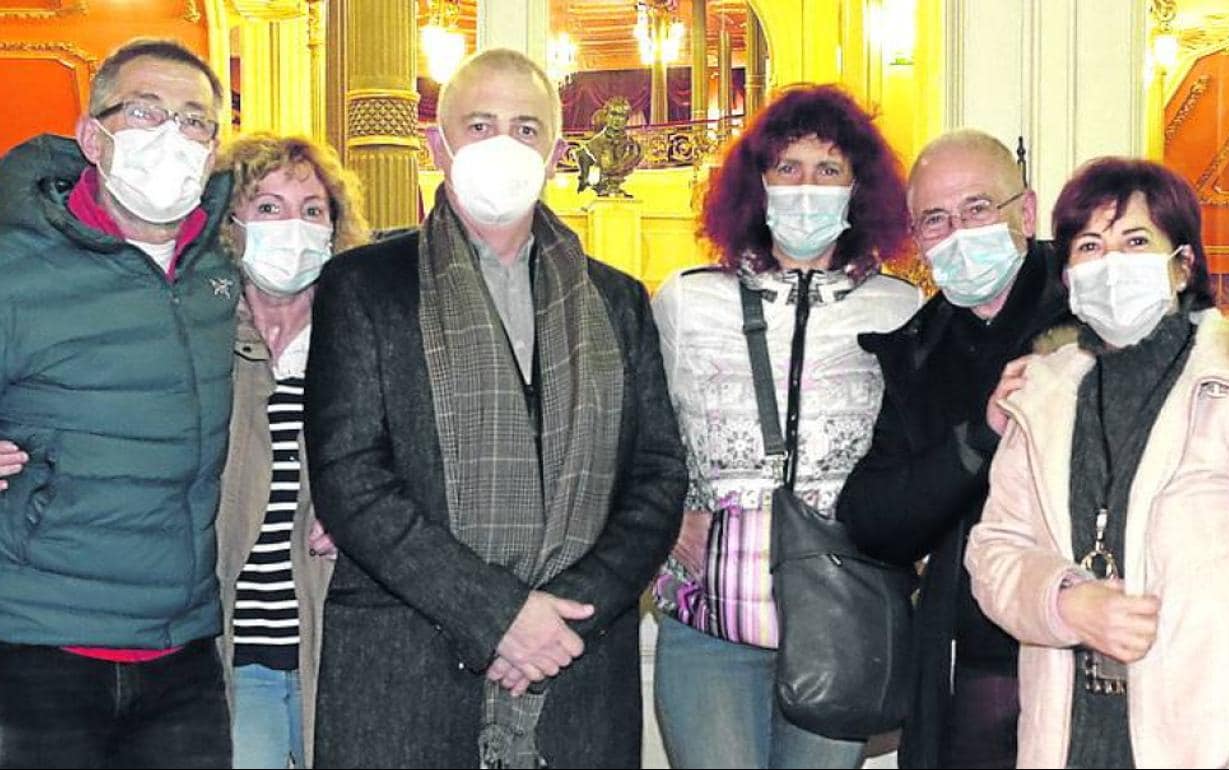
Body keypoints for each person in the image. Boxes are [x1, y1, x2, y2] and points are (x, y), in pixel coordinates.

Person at [303, 48, 689, 768]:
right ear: (436, 144)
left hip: (575, 665)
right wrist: (500, 616)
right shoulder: (364, 287)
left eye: (525, 127)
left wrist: (564, 614)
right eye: (479, 125)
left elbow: (658, 475)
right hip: (405, 676)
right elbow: (350, 478)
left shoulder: (617, 301)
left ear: (557, 151)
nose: (503, 146)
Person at [648, 84, 923, 769]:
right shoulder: (686, 301)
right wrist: (662, 519)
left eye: (829, 170)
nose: (808, 186)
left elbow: (914, 459)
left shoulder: (900, 308)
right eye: (788, 168)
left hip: (843, 623)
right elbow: (636, 439)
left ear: (857, 189)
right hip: (710, 621)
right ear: (758, 183)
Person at [965, 157, 1229, 768]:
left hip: (1210, 741)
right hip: (1068, 736)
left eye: (1136, 240)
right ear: (1067, 275)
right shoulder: (1041, 391)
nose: (1112, 262)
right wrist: (1064, 601)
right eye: (1089, 245)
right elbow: (993, 551)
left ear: (1184, 264)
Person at [0, 38, 237, 768]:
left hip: (183, 653)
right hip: (37, 650)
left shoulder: (221, 272)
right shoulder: (16, 264)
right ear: (91, 135)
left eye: (196, 120)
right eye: (145, 111)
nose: (172, 134)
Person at [835, 129, 1072, 768]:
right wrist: (975, 441)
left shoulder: (1092, 309)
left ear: (1025, 212)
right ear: (917, 241)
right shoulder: (915, 348)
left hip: (1089, 647)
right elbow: (873, 517)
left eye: (977, 209)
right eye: (935, 220)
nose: (959, 232)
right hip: (966, 659)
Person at [214, 133, 370, 769]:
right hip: (235, 652)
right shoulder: (203, 339)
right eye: (269, 208)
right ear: (229, 225)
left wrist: (360, 507)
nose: (294, 227)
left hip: (342, 651)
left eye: (312, 210)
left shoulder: (363, 339)